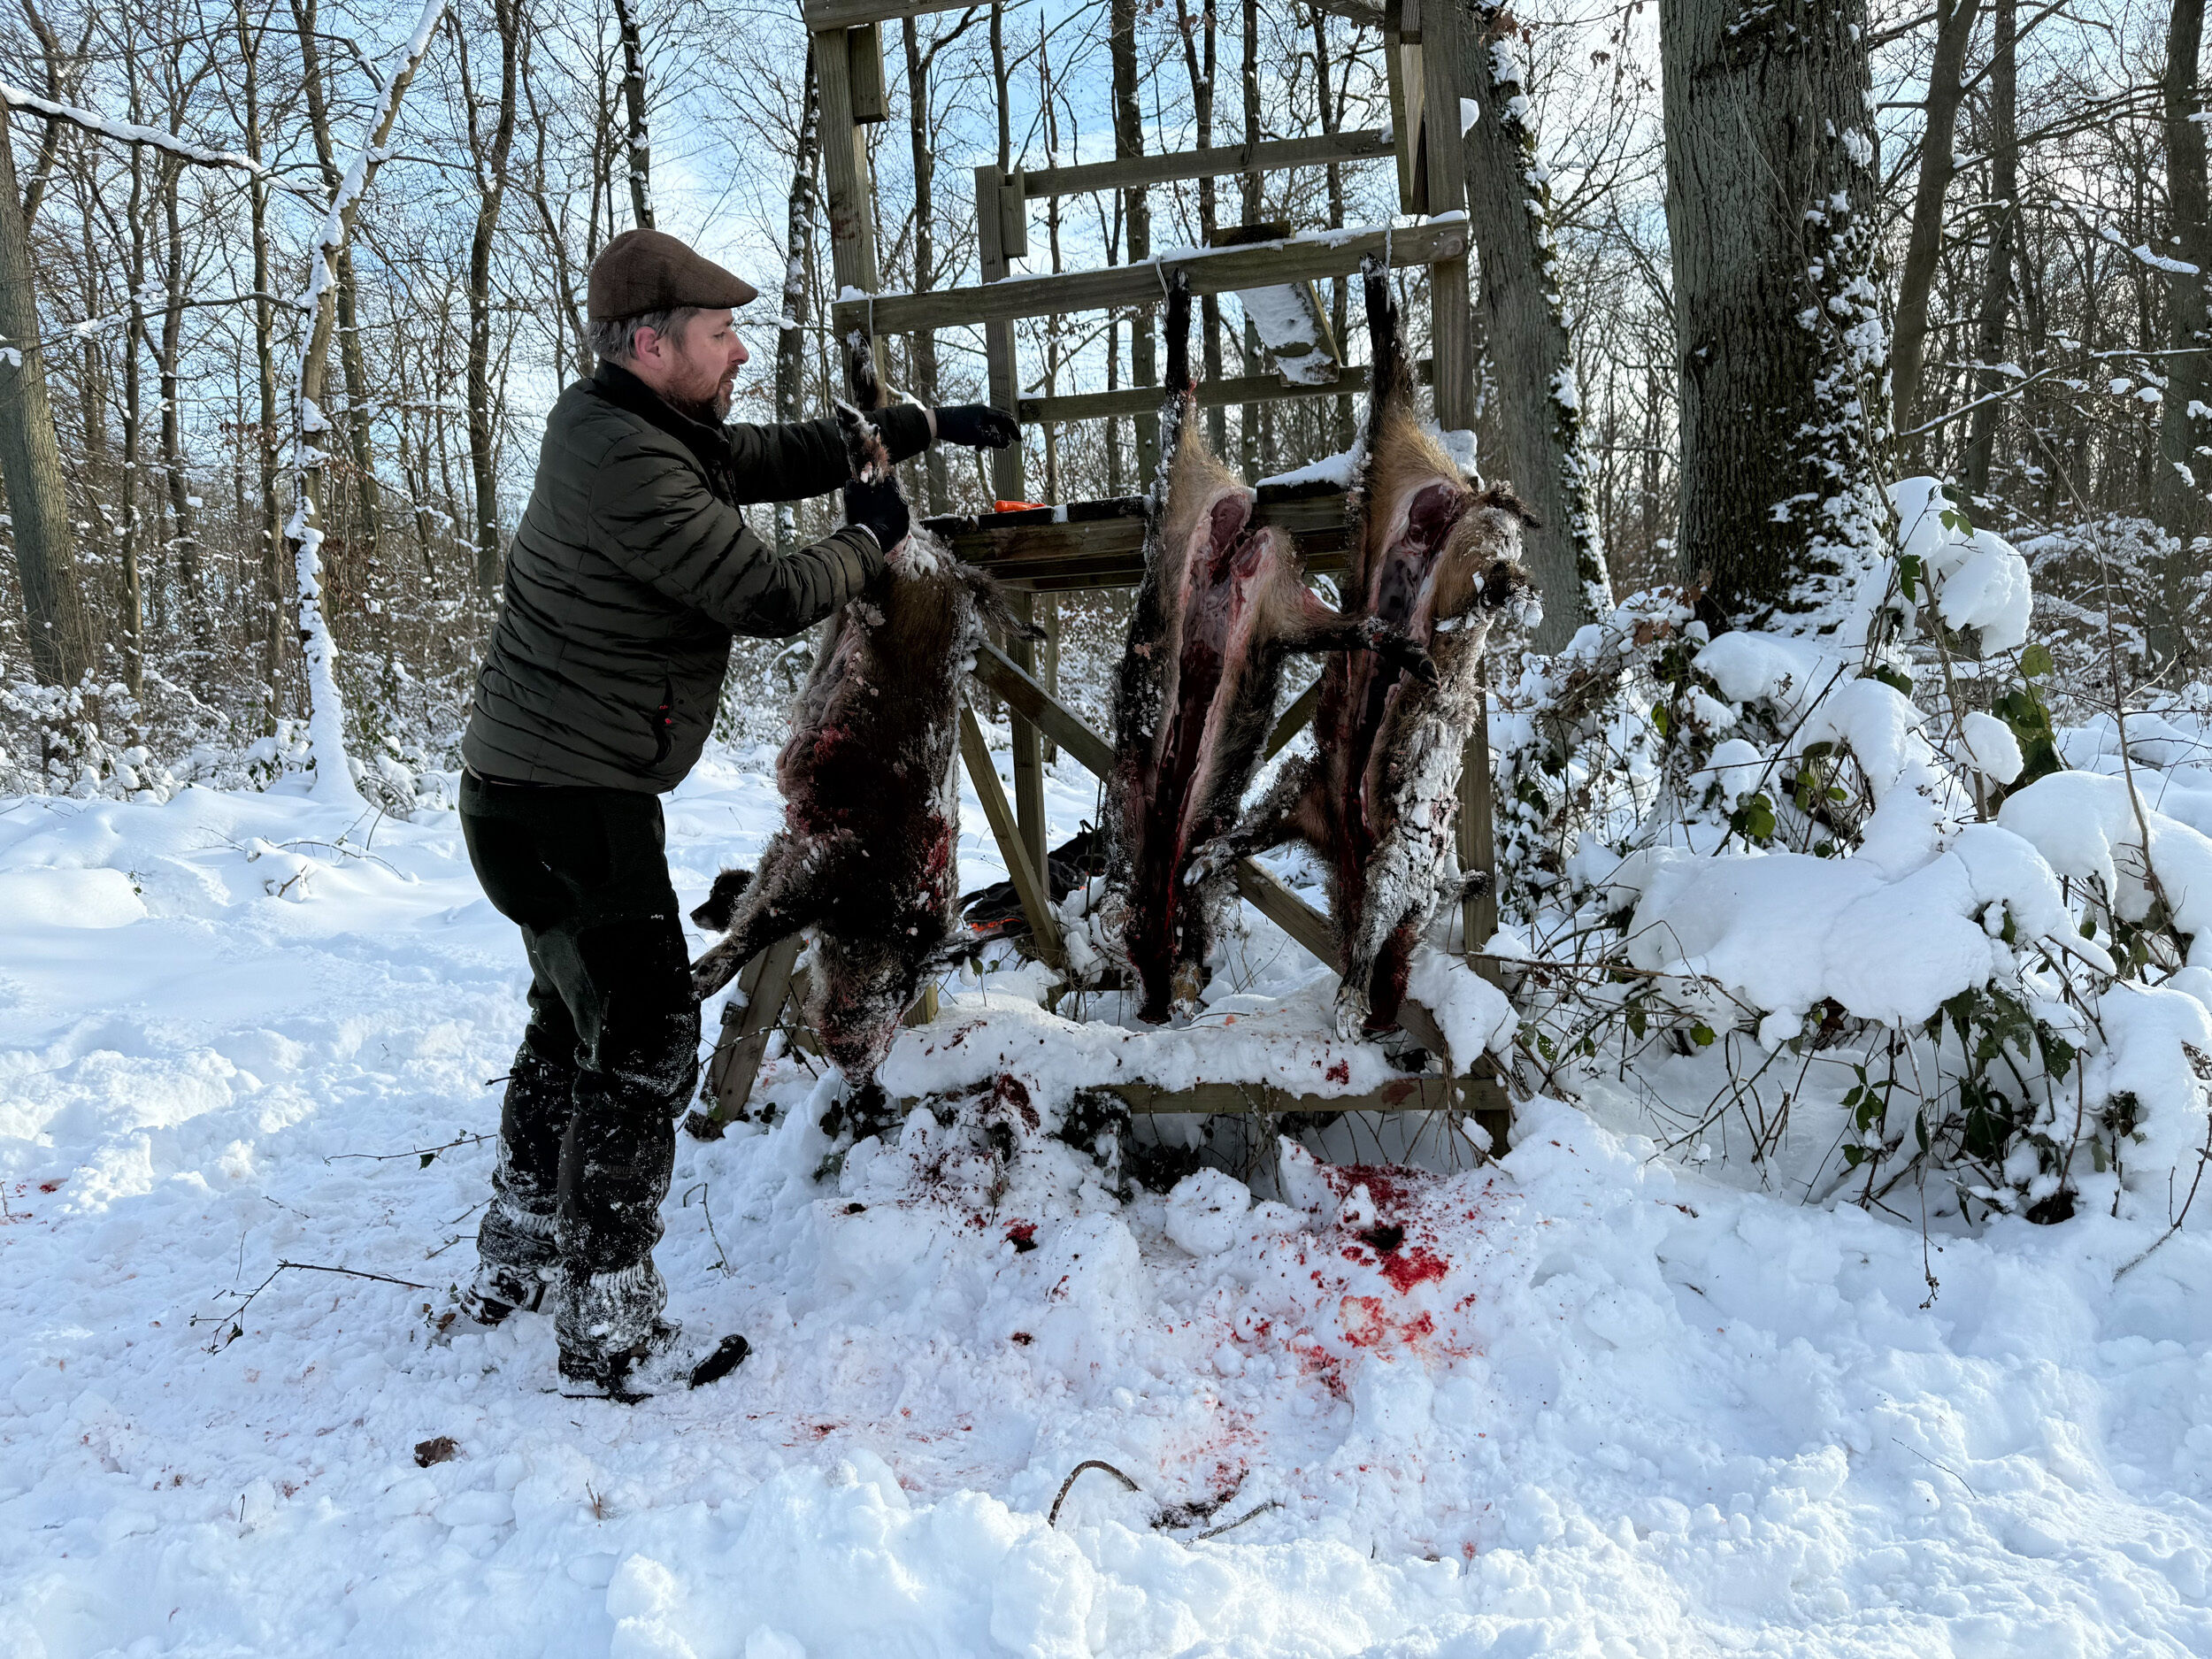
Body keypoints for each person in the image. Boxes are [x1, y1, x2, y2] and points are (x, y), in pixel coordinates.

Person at [453, 227, 1015, 1398]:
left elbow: (766, 453)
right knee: (651, 1033)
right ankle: (608, 1330)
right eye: (720, 336)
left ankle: (517, 1253)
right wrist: (871, 538)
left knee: (575, 1019)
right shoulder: (632, 466)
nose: (741, 351)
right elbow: (762, 590)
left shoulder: (630, 424)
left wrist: (910, 430)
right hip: (566, 805)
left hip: (536, 796)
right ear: (653, 345)